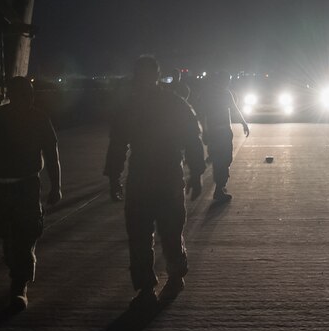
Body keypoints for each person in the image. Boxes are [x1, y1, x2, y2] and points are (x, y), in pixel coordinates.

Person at [104, 55, 206, 306]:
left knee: (148, 234)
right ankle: (167, 279)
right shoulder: (173, 103)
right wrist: (196, 173)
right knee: (163, 231)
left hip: (150, 176)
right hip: (163, 176)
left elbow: (117, 145)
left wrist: (114, 176)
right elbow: (193, 139)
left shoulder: (131, 106)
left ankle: (151, 285)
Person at [0, 76, 62, 308]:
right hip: (0, 187)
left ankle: (19, 285)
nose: (28, 98)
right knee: (7, 235)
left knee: (25, 236)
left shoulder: (39, 119)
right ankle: (17, 269)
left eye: (29, 94)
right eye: (24, 94)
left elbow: (52, 154)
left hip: (26, 186)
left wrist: (57, 186)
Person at [197, 70, 250, 202]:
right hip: (222, 132)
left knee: (219, 160)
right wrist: (244, 123)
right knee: (224, 160)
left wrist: (204, 131)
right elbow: (235, 110)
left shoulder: (212, 93)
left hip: (217, 132)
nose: (228, 83)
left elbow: (201, 113)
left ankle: (220, 186)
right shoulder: (223, 93)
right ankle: (219, 188)